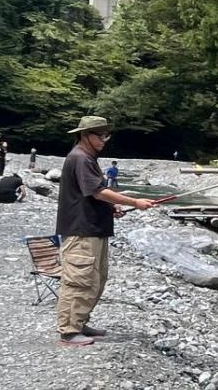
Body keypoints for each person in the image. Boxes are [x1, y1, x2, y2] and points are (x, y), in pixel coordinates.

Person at [55, 115, 156, 347]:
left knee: (95, 280)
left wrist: (112, 208)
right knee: (79, 281)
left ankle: (79, 322)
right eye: (100, 135)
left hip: (93, 229)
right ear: (85, 135)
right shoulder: (80, 158)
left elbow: (92, 194)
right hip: (81, 231)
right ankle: (69, 332)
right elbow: (97, 192)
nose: (104, 139)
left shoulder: (87, 158)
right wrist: (135, 202)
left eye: (106, 135)